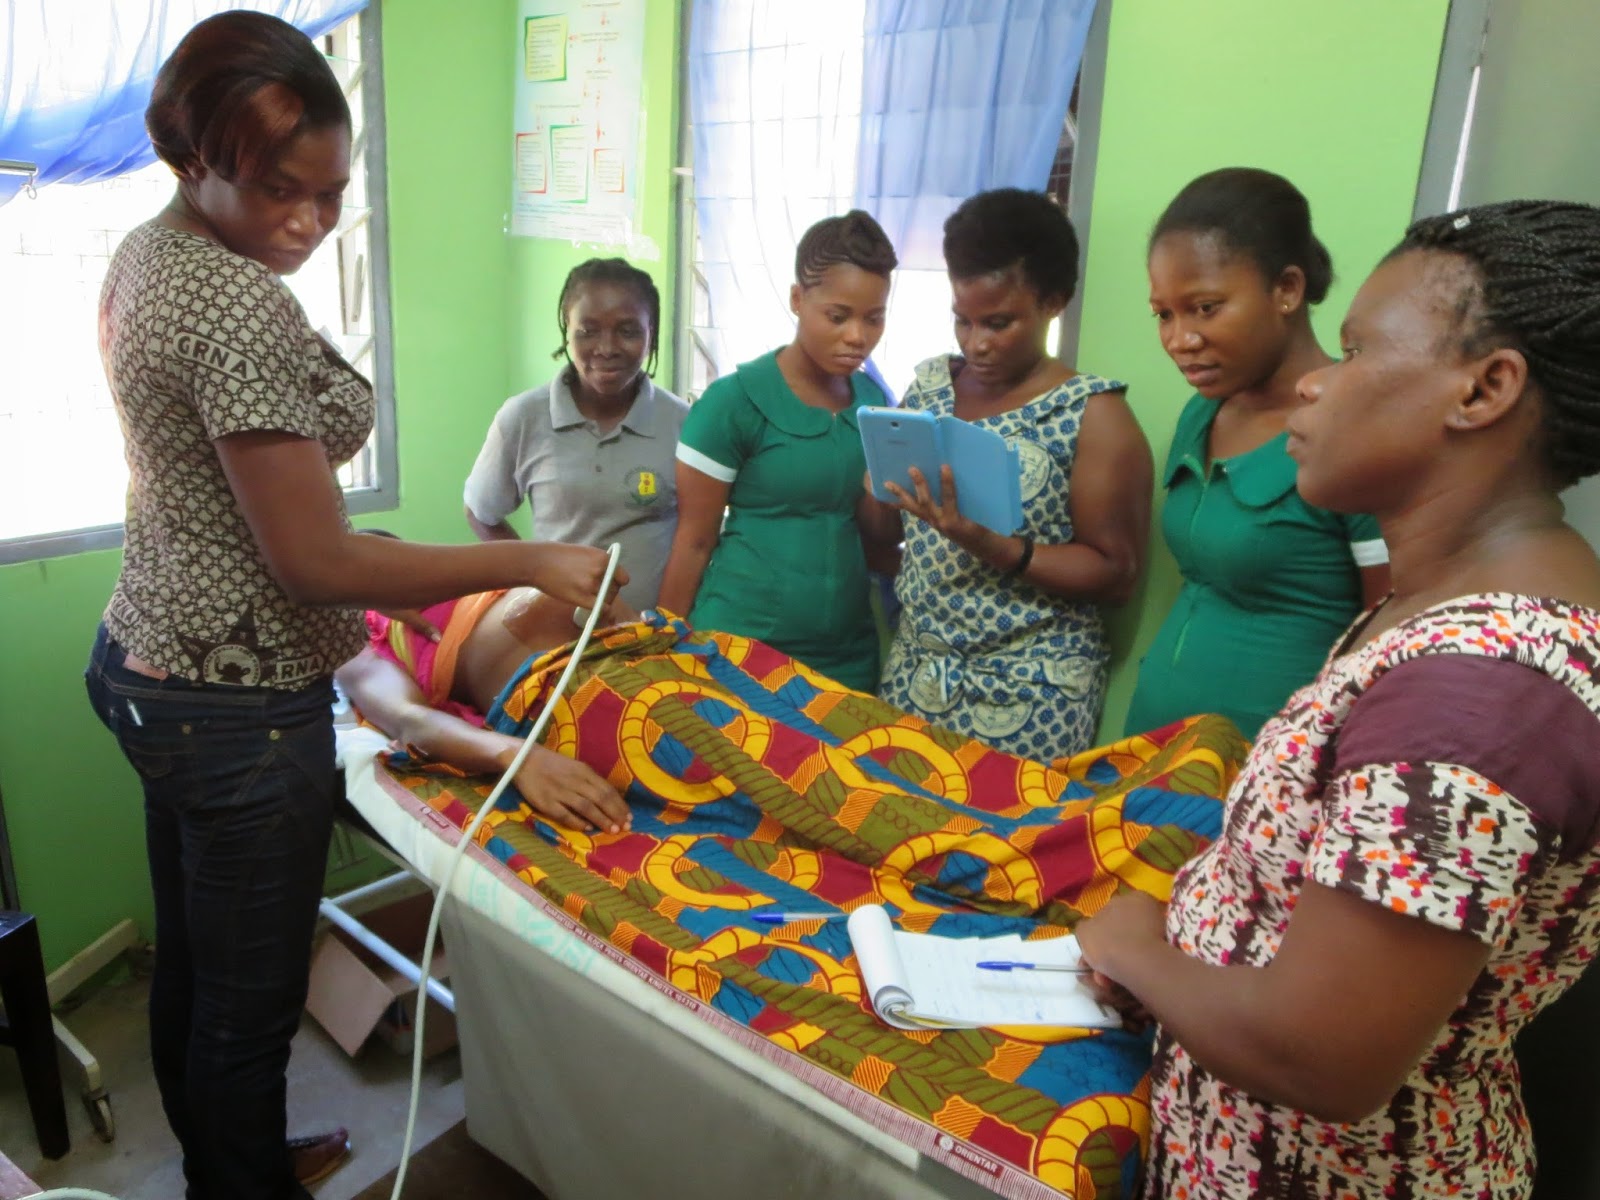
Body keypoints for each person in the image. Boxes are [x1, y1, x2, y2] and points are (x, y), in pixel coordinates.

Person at [80, 14, 618, 1199]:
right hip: (229, 702)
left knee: (197, 975)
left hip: (150, 655)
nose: (310, 225)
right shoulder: (228, 305)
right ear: (195, 160)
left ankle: (232, 1160)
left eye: (330, 195)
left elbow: (271, 527)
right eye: (280, 191)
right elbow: (319, 569)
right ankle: (242, 1181)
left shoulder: (148, 255)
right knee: (245, 1011)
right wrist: (518, 572)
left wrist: (444, 617)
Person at [1076, 199, 1600, 1200]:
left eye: (1356, 350)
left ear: (1483, 389)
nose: (1316, 378)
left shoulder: (1482, 692)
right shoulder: (1439, 611)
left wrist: (1138, 952)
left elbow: (1323, 1057)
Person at [862, 188, 1152, 761]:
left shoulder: (1093, 416)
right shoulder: (929, 389)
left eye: (998, 322)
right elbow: (887, 529)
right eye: (962, 321)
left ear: (1054, 301)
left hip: (1033, 691)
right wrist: (874, 476)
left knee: (1004, 848)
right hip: (917, 673)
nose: (977, 344)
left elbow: (1116, 576)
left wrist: (991, 545)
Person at [1124, 168, 1389, 740]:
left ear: (1286, 290)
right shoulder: (1203, 412)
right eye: (1164, 314)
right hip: (1155, 746)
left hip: (1265, 775)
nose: (1179, 339)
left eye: (1205, 307)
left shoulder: (1356, 429)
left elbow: (1386, 640)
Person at [657, 210, 896, 692]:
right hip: (739, 651)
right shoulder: (733, 403)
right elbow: (694, 540)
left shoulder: (873, 403)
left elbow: (876, 537)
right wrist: (661, 648)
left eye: (874, 318)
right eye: (838, 316)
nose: (858, 336)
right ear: (796, 299)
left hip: (846, 658)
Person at [464, 258, 687, 611]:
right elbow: (481, 513)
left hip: (653, 640)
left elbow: (697, 539)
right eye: (588, 330)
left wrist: (673, 621)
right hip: (553, 640)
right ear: (566, 331)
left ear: (652, 333)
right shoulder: (523, 417)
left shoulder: (683, 423)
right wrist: (530, 578)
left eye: (628, 330)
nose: (607, 347)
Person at [336, 585, 637, 834]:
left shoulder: (468, 578)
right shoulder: (357, 636)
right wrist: (518, 756)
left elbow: (409, 717)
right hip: (581, 657)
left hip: (588, 641)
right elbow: (409, 718)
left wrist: (516, 756)